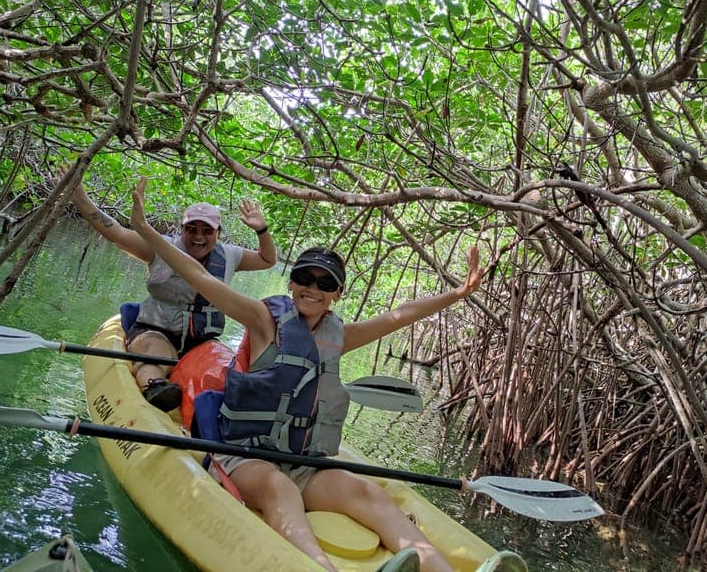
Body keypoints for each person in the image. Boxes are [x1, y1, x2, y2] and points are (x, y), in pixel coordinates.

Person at [129, 177, 527, 572]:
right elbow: (200, 278)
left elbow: (400, 315)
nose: (312, 287)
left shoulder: (338, 337)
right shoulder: (263, 320)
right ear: (292, 282)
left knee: (365, 492)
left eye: (324, 282)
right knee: (278, 489)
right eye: (304, 277)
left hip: (302, 462)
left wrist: (457, 293)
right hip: (246, 457)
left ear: (337, 293)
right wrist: (147, 231)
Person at [68, 175, 277, 411]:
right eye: (192, 229)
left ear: (218, 233)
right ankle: (155, 388)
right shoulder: (160, 248)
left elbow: (268, 259)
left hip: (201, 341)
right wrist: (80, 197)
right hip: (157, 331)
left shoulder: (231, 255)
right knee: (156, 354)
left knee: (224, 372)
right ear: (182, 229)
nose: (199, 237)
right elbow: (115, 233)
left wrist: (262, 230)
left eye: (207, 230)